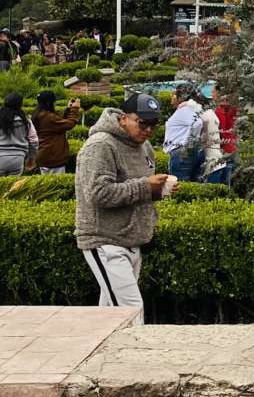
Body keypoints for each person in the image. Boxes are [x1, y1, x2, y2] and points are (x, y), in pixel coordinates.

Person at [75, 93, 172, 319]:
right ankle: (137, 353)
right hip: (105, 240)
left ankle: (101, 352)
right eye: (143, 123)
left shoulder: (145, 147)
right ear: (124, 118)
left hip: (133, 239)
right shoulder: (100, 145)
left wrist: (157, 191)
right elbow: (99, 193)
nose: (148, 130)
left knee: (110, 314)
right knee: (131, 312)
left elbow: (138, 189)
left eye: (154, 124)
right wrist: (146, 186)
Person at [32, 90, 81, 175]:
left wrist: (68, 109)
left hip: (44, 154)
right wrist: (74, 109)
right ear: (48, 102)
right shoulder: (48, 117)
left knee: (46, 184)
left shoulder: (38, 114)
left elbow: (59, 123)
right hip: (52, 156)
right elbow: (69, 124)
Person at [162, 85, 205, 182]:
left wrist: (189, 142)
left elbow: (197, 123)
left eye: (174, 94)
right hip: (183, 152)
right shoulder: (185, 109)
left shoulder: (185, 110)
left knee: (180, 184)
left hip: (181, 153)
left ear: (180, 97)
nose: (172, 96)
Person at [195, 91, 229, 184]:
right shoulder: (211, 113)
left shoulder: (203, 115)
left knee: (212, 193)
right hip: (220, 161)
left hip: (212, 164)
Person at [0, 92, 36, 176]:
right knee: (13, 187)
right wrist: (31, 157)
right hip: (18, 158)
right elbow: (34, 140)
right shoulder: (25, 120)